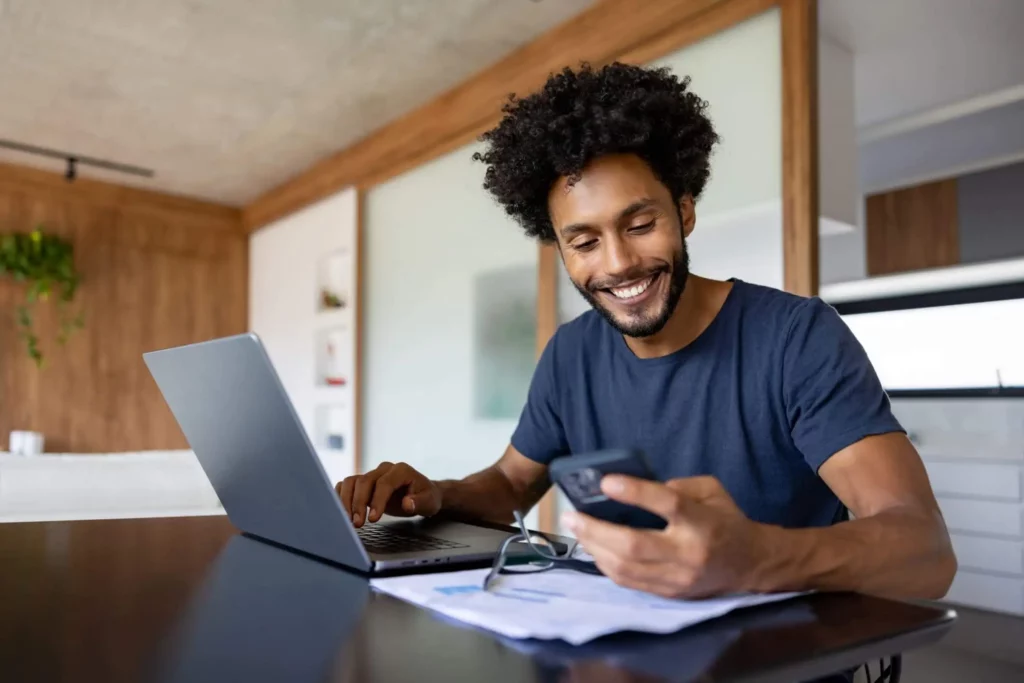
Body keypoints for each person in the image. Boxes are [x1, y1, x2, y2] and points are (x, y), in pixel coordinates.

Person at [337, 62, 956, 601]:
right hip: (616, 645)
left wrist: (758, 558)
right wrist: (436, 496)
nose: (618, 264)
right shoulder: (571, 354)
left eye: (639, 224)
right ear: (560, 248)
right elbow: (509, 487)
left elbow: (925, 550)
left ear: (684, 211)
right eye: (583, 241)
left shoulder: (797, 337)